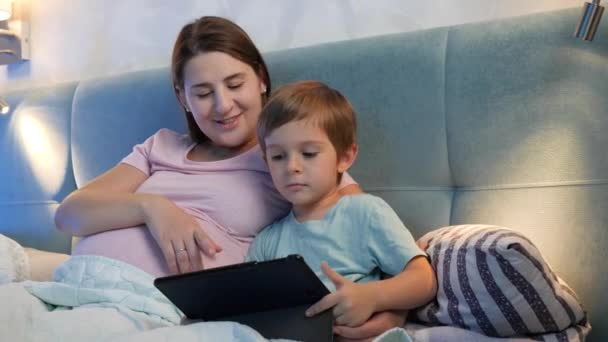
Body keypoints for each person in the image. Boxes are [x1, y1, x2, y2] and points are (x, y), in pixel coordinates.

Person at [0, 16, 410, 341]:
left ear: (261, 80)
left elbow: (363, 240)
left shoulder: (289, 157)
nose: (223, 105)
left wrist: (390, 312)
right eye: (202, 92)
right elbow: (70, 216)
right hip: (75, 284)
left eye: (235, 84)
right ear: (182, 97)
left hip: (152, 307)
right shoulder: (160, 147)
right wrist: (153, 208)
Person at [247, 81, 437, 331]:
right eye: (278, 156)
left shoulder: (364, 213)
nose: (291, 167)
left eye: (309, 153)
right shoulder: (266, 242)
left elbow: (424, 280)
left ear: (345, 158)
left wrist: (371, 296)